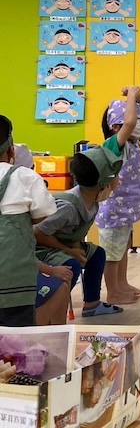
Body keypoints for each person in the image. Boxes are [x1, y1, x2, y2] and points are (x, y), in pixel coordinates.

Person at [35, 147, 124, 317]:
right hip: (43, 248)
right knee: (71, 264)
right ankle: (54, 312)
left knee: (97, 254)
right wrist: (69, 250)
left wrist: (75, 246)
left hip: (64, 244)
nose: (118, 181)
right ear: (103, 183)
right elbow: (38, 233)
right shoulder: (68, 207)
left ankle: (92, 304)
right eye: (115, 177)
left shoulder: (93, 200)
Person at [97, 86, 140, 305]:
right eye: (133, 119)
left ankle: (122, 284)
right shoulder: (115, 144)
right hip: (113, 211)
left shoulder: (134, 142)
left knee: (122, 249)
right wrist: (130, 97)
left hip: (125, 210)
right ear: (115, 126)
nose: (139, 123)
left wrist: (137, 96)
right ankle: (113, 292)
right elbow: (130, 123)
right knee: (112, 254)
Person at [0, 115, 58, 327]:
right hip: (16, 282)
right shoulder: (25, 176)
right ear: (11, 151)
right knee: (17, 348)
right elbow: (44, 213)